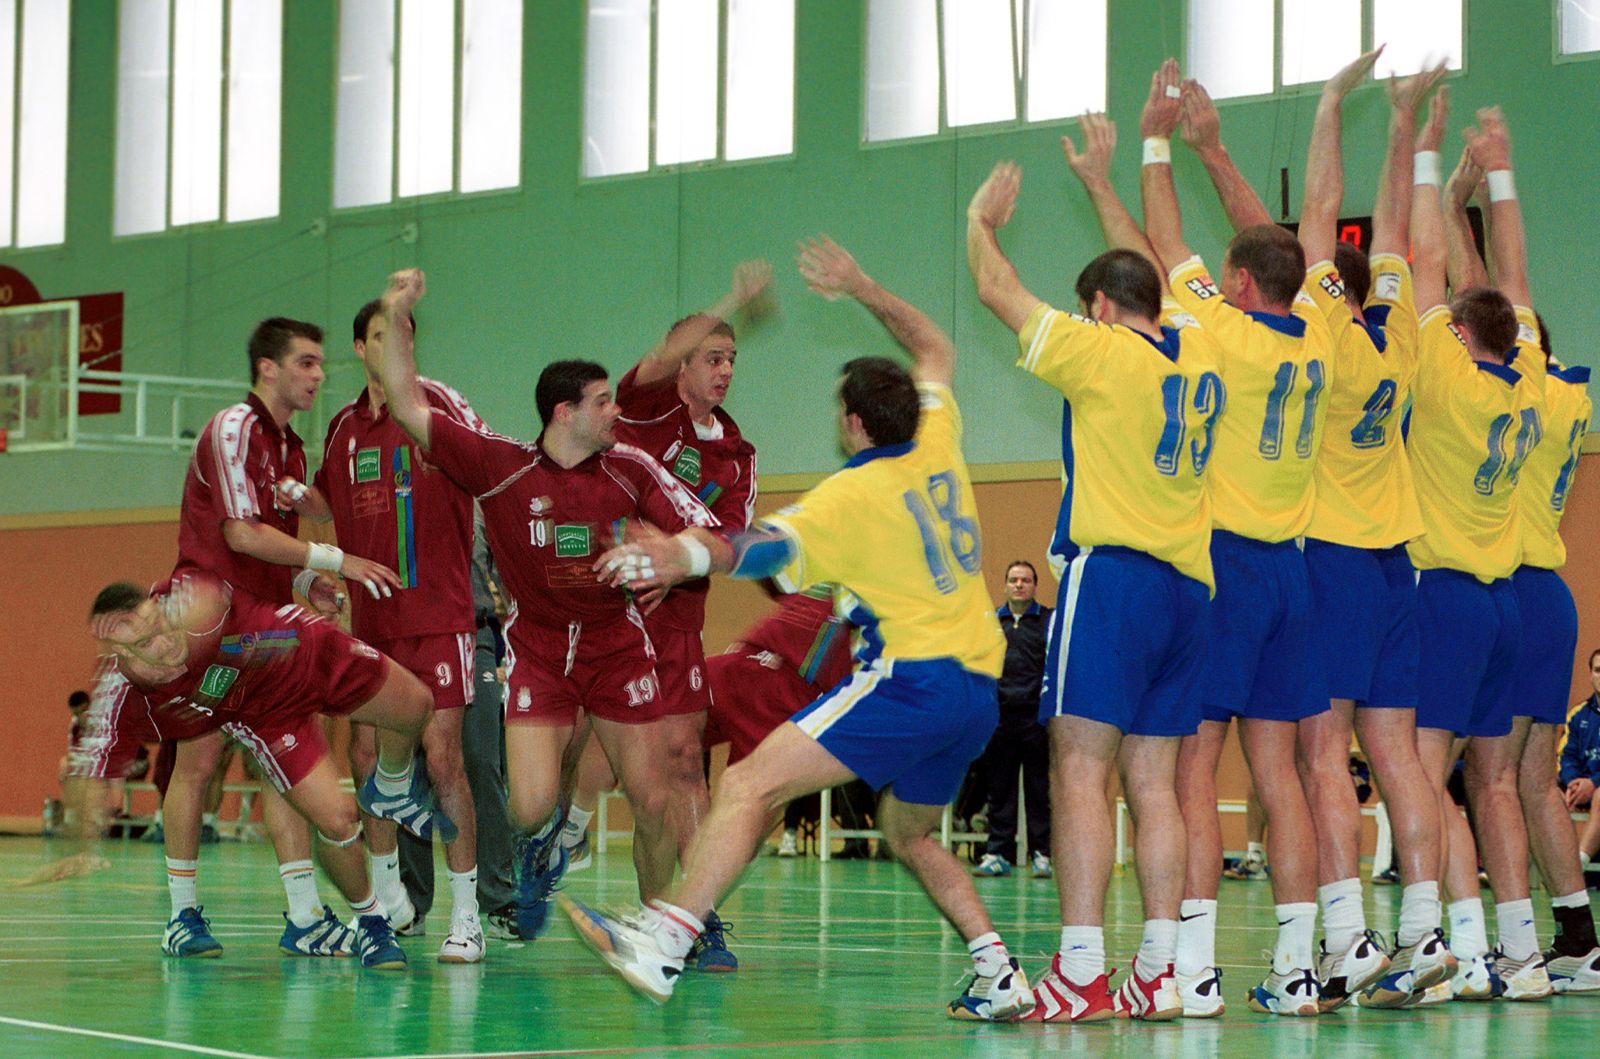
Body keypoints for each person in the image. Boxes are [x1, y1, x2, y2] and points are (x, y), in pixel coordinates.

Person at [563, 236, 1031, 1023]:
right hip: (979, 691)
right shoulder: (942, 444)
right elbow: (937, 344)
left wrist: (675, 551)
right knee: (909, 830)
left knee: (747, 782)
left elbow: (758, 548)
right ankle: (999, 970)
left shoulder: (849, 497)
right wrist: (863, 285)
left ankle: (666, 939)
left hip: (910, 679)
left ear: (851, 424)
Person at [1182, 53, 1453, 1010]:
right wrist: (1410, 133)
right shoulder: (1407, 329)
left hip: (1328, 561)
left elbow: (1295, 223)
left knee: (1312, 759)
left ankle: (1345, 942)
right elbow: (1397, 238)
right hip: (1398, 568)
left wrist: (1333, 105)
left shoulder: (1318, 325)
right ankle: (1425, 934)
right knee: (1402, 758)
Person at [368, 268, 722, 944]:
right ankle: (547, 842)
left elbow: (705, 529)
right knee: (528, 807)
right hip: (537, 651)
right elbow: (408, 401)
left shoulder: (633, 468)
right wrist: (395, 311)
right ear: (565, 412)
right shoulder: (502, 466)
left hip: (617, 645)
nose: (616, 411)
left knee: (652, 799)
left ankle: (666, 931)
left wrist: (670, 556)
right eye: (602, 401)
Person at [968, 115, 1221, 1021]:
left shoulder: (1101, 351)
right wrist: (1102, 182)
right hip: (1190, 591)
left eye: (1090, 306)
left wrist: (981, 222)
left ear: (1102, 310)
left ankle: (1079, 968)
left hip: (1112, 581)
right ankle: (1160, 967)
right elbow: (1145, 268)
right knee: (1156, 783)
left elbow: (998, 292)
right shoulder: (1201, 346)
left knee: (1079, 766)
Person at [1141, 58, 1333, 1017]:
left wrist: (1156, 142)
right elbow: (1271, 246)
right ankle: (1297, 967)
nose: (1214, 273)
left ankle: (1197, 967)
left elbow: (1163, 235)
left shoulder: (1223, 331)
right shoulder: (1323, 336)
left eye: (1228, 272)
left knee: (1189, 768)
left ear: (1243, 286)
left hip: (1226, 567)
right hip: (1294, 575)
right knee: (1283, 775)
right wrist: (1215, 146)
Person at [160, 316, 406, 959]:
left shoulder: (292, 451)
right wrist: (334, 561)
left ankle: (303, 915)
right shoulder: (232, 429)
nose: (319, 375)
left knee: (293, 759)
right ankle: (181, 915)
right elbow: (239, 535)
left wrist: (303, 580)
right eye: (305, 362)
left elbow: (274, 542)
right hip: (209, 628)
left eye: (321, 364)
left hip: (268, 627)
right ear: (267, 367)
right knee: (200, 761)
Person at [70, 572, 437, 969]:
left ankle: (389, 789)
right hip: (263, 710)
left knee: (417, 706)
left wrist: (309, 575)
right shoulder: (119, 690)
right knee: (330, 815)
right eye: (144, 644)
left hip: (303, 651)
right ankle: (362, 917)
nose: (165, 644)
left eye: (160, 626)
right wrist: (82, 846)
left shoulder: (193, 598)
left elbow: (246, 553)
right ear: (119, 654)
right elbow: (90, 772)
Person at [1403, 99, 1551, 1002]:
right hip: (1504, 602)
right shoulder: (1528, 372)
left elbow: (1422, 267)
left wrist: (1423, 158)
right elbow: (1516, 279)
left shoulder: (1450, 382)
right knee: (1491, 783)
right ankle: (1523, 951)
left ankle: (1449, 941)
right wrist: (1492, 174)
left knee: (1422, 774)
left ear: (1461, 336)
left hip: (1448, 592)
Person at [289, 299, 487, 962]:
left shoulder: (441, 405)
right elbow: (323, 498)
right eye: (378, 334)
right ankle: (387, 902)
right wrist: (289, 498)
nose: (391, 343)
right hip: (372, 623)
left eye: (401, 332)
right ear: (359, 347)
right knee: (368, 758)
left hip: (440, 616)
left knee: (444, 759)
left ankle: (467, 914)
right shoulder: (343, 427)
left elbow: (488, 469)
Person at [606, 260, 771, 971]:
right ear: (681, 366)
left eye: (732, 358)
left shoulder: (738, 455)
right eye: (711, 356)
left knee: (683, 762)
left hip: (674, 618)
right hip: (600, 605)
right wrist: (728, 297)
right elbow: (655, 360)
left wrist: (673, 555)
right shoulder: (645, 411)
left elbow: (732, 544)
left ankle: (693, 915)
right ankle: (545, 843)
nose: (725, 369)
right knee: (575, 763)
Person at [398, 510, 522, 940]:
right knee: (414, 766)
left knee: (482, 760)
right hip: (415, 632)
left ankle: (498, 896)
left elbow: (508, 575)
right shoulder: (405, 489)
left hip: (476, 634)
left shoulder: (482, 500)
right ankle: (412, 900)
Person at [971, 561, 1052, 881]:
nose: (1019, 585)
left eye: (1026, 580)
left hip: (1035, 721)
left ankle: (1042, 854)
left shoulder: (1047, 622)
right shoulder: (991, 622)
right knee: (999, 790)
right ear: (1005, 585)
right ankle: (997, 853)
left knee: (1038, 789)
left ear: (1035, 586)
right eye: (1013, 580)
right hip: (1000, 719)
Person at [1559, 653, 1600, 877]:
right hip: (1583, 784)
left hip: (1596, 788)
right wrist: (1573, 782)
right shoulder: (1577, 715)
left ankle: (1575, 867)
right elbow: (1565, 756)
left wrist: (1593, 783)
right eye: (1598, 670)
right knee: (1545, 795)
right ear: (1591, 675)